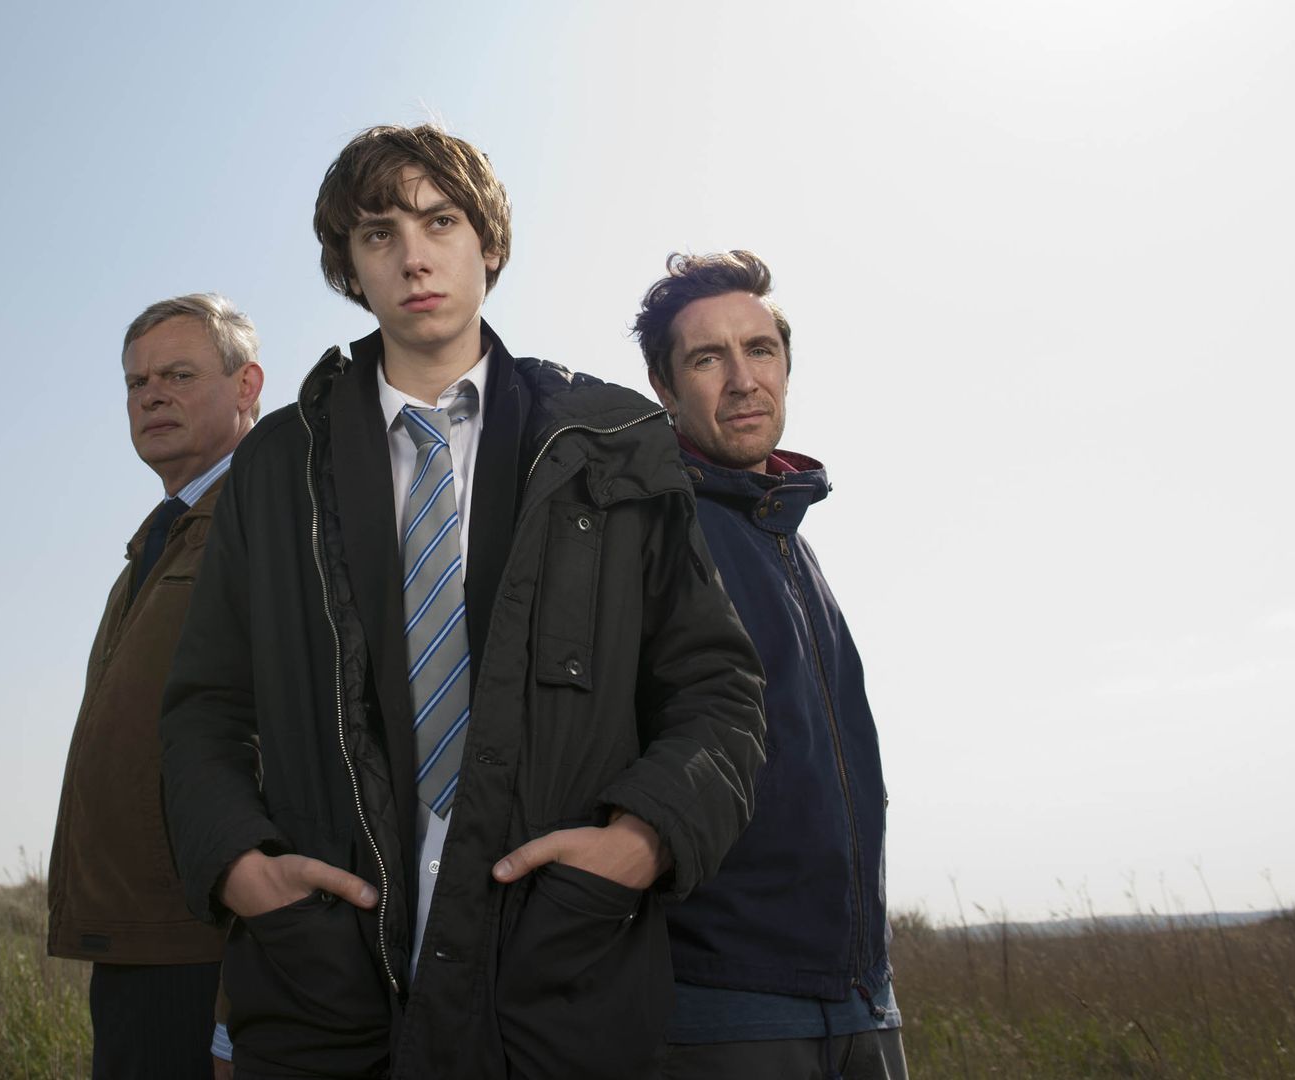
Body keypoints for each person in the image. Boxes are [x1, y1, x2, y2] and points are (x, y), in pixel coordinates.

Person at [160, 124, 766, 1080]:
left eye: (440, 222)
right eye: (379, 234)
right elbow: (203, 711)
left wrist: (643, 841)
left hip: (562, 995)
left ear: (487, 242)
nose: (413, 257)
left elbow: (718, 693)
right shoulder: (277, 464)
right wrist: (240, 865)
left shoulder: (614, 442)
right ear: (350, 266)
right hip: (325, 999)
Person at [633, 251, 907, 1079]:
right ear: (664, 388)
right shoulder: (650, 530)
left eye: (760, 350)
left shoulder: (791, 538)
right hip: (726, 1005)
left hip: (863, 996)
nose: (743, 379)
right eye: (707, 358)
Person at [47, 292, 264, 1080]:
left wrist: (240, 1011)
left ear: (246, 386)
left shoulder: (268, 523)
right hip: (139, 944)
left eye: (178, 375)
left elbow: (298, 758)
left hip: (209, 951)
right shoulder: (158, 541)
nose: (151, 396)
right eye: (137, 383)